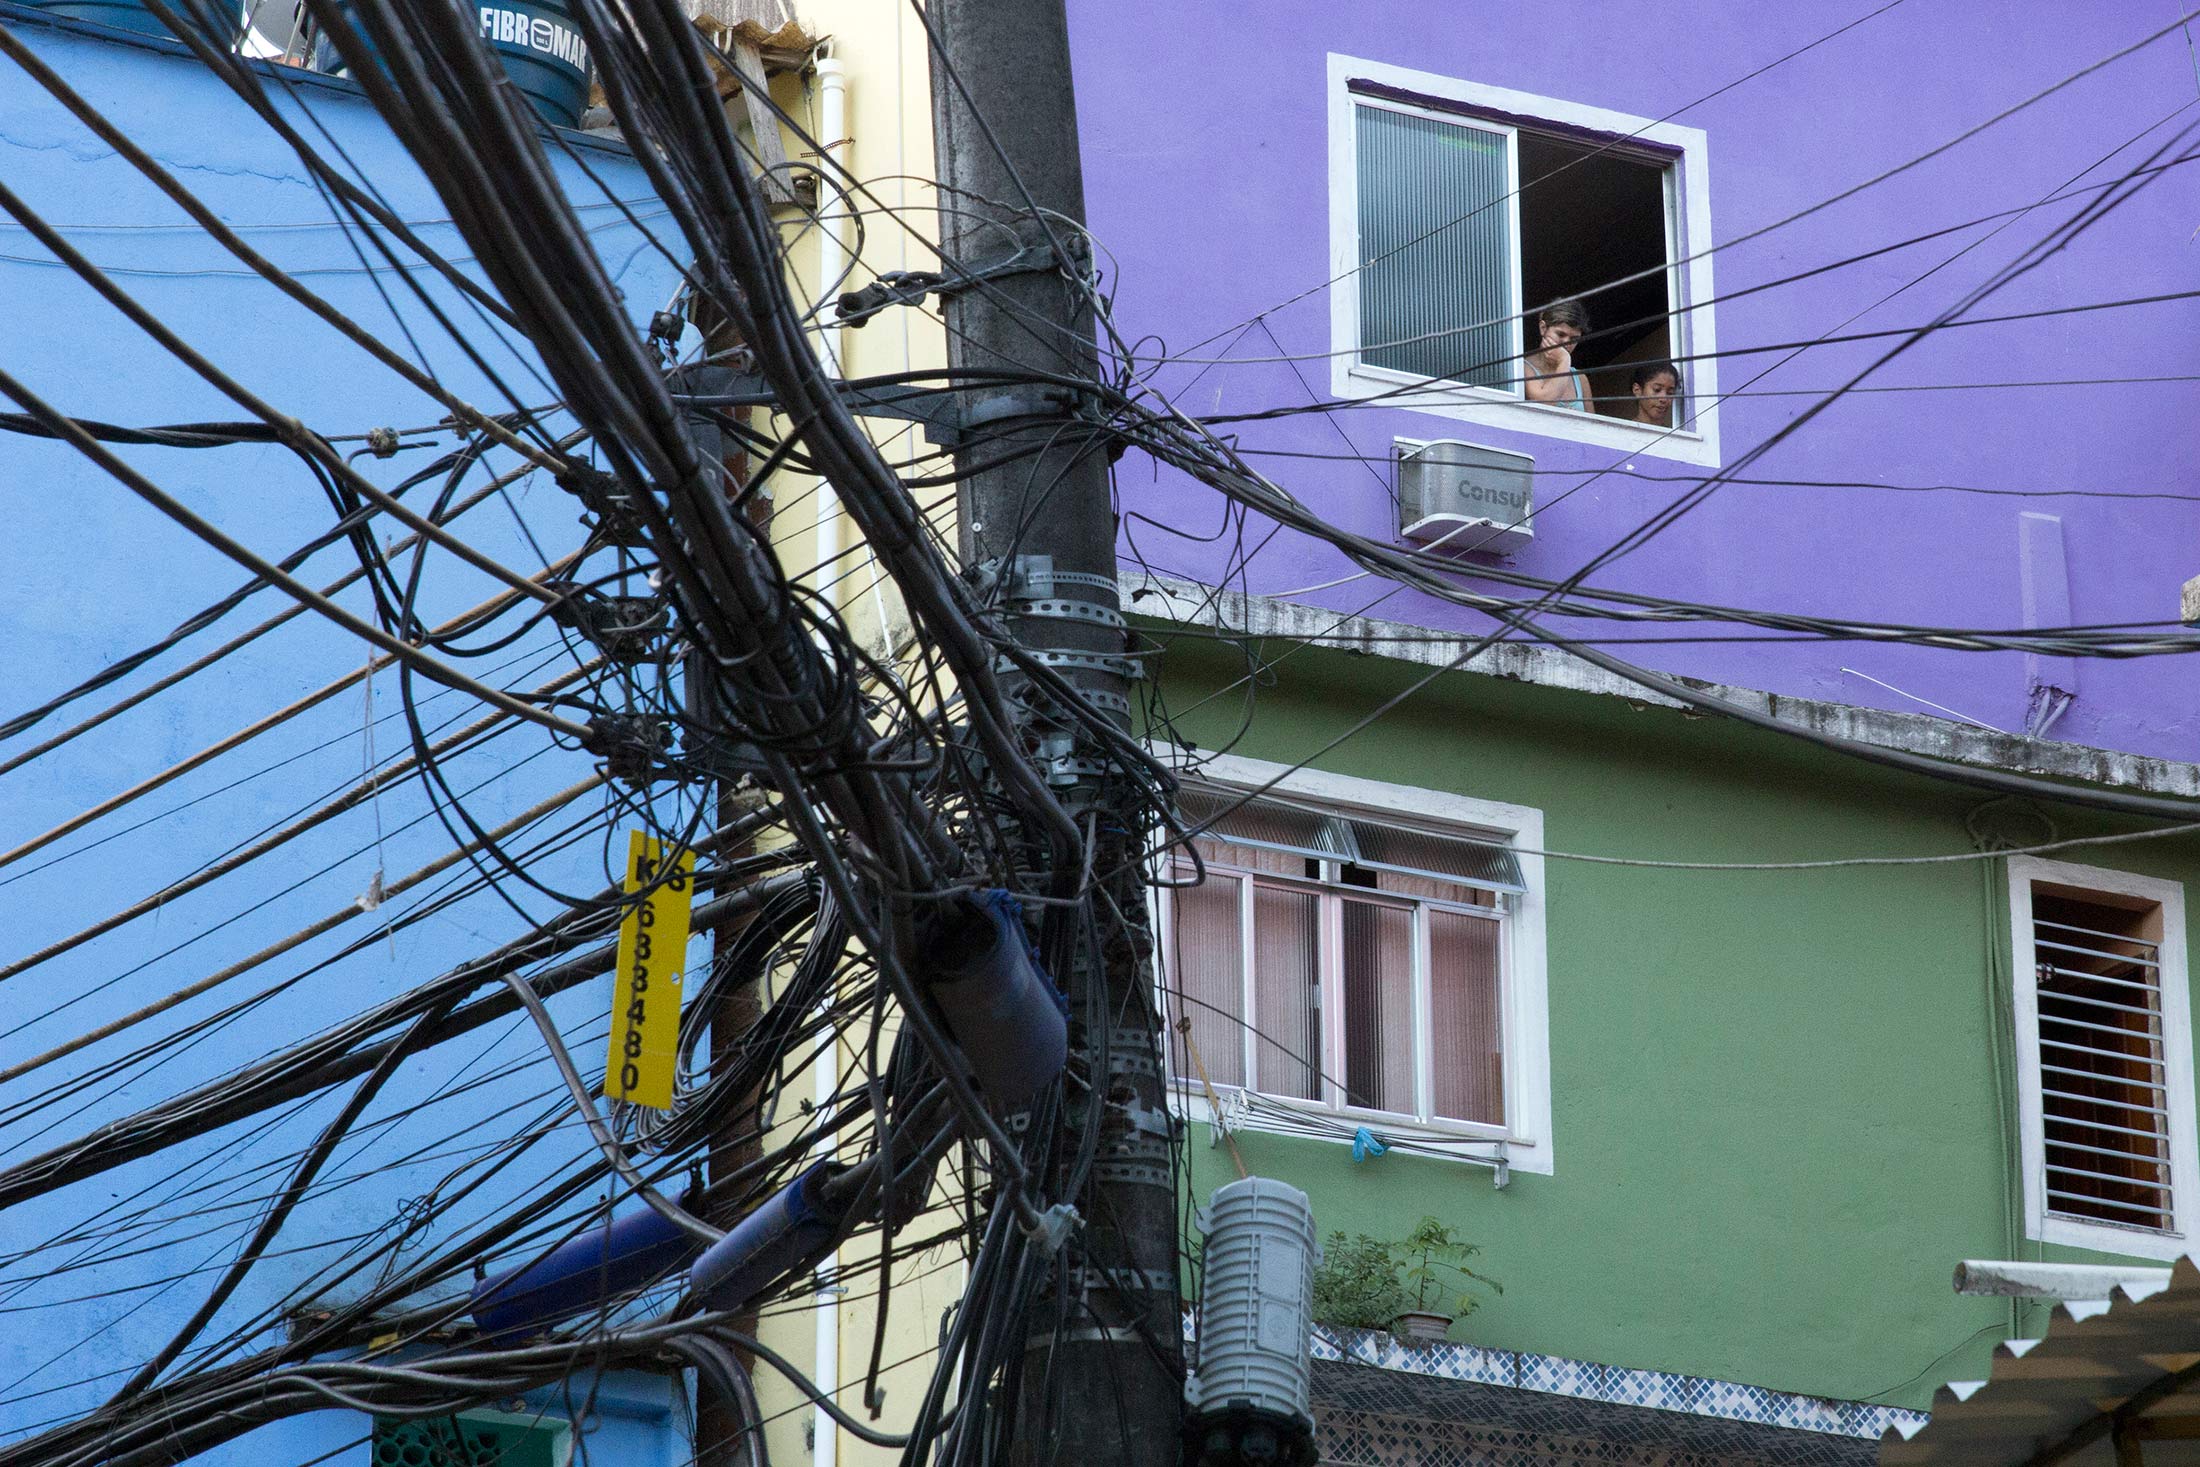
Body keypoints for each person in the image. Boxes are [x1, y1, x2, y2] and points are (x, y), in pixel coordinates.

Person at [1522, 300, 1591, 411]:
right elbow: (1544, 404)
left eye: (1574, 339)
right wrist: (1564, 360)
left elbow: (1592, 424)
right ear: (1543, 328)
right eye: (1560, 334)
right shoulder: (1523, 367)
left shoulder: (1580, 378)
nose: (1566, 342)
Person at [1629, 360, 1683, 428]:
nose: (1664, 399)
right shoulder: (1623, 432)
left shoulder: (1675, 436)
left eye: (1670, 393)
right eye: (1657, 390)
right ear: (1637, 390)